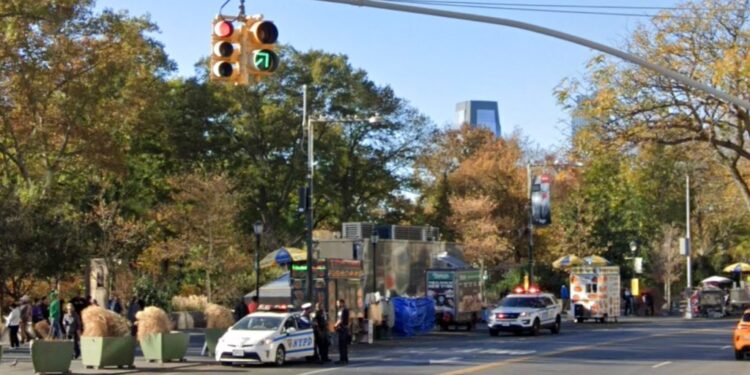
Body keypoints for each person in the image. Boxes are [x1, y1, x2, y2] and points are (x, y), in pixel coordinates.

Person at [335, 299, 350, 365]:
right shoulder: (340, 310)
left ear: (342, 303)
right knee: (341, 345)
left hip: (343, 329)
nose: (337, 304)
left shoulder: (344, 310)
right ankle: (343, 359)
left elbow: (341, 320)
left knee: (343, 345)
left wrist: (335, 325)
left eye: (338, 303)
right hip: (341, 329)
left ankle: (344, 359)